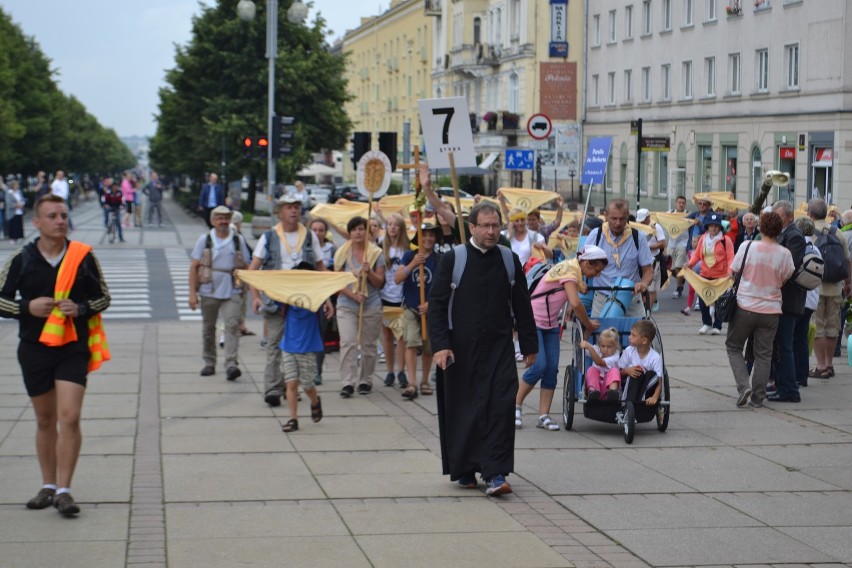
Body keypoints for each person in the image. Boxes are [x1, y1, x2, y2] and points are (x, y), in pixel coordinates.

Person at [0, 194, 111, 516]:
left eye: (63, 215)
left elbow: (103, 296)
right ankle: (47, 486)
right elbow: (1, 298)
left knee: (69, 416)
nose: (60, 220)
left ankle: (64, 490)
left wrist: (81, 308)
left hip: (72, 346)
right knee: (45, 419)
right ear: (37, 223)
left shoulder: (82, 257)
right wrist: (26, 308)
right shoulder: (22, 258)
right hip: (34, 348)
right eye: (52, 216)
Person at [428, 201, 537, 496]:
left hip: (499, 347)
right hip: (460, 348)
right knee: (464, 408)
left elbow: (522, 304)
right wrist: (440, 346)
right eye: (485, 226)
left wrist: (529, 344)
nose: (491, 231)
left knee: (501, 405)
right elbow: (436, 305)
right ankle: (465, 467)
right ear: (472, 227)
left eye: (495, 225)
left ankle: (495, 472)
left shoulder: (508, 259)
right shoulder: (454, 259)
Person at [515, 245, 607, 430]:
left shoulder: (573, 269)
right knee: (538, 367)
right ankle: (515, 407)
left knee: (551, 370)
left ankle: (544, 416)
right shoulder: (569, 269)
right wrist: (588, 324)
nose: (597, 275)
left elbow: (574, 288)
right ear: (586, 262)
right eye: (595, 270)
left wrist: (582, 285)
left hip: (550, 325)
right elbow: (575, 303)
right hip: (534, 321)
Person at [248, 195, 326, 406]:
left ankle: (293, 386)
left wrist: (326, 297)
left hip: (303, 303)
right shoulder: (269, 237)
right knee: (275, 345)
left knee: (299, 349)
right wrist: (255, 296)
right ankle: (273, 388)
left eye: (297, 207)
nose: (293, 211)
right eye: (289, 207)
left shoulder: (309, 236)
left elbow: (321, 268)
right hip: (276, 302)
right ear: (279, 212)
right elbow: (252, 270)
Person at [725, 211, 794, 408]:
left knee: (734, 346)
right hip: (771, 309)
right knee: (764, 354)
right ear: (780, 230)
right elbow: (785, 278)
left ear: (760, 227)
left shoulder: (747, 246)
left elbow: (733, 272)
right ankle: (758, 397)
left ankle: (743, 386)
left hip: (745, 306)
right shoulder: (785, 254)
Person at [188, 206, 251, 381]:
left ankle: (231, 364)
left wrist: (252, 290)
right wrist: (192, 294)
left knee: (231, 325)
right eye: (219, 218)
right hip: (209, 288)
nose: (223, 221)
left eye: (226, 218)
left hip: (232, 289)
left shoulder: (237, 239)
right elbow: (194, 267)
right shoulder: (205, 239)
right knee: (208, 328)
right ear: (213, 220)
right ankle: (209, 362)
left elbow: (247, 265)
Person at [334, 216, 385, 397]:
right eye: (354, 229)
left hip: (370, 304)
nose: (358, 232)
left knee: (369, 345)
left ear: (367, 232)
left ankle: (365, 380)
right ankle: (348, 382)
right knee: (348, 342)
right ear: (349, 233)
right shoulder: (341, 253)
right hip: (347, 303)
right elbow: (338, 282)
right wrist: (353, 295)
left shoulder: (375, 253)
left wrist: (368, 271)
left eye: (362, 229)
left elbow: (379, 282)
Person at [395, 222, 441, 400]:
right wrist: (413, 264)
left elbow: (443, 286)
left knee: (428, 346)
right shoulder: (409, 256)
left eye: (431, 235)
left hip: (430, 309)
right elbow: (398, 278)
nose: (428, 239)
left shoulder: (438, 259)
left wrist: (431, 303)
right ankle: (412, 382)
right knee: (411, 342)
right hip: (411, 307)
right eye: (424, 235)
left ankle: (424, 381)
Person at [807, 198, 852, 381]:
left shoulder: (810, 233)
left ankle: (821, 366)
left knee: (818, 326)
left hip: (815, 287)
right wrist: (848, 283)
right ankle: (830, 364)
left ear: (810, 214)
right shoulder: (838, 232)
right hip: (835, 286)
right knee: (833, 326)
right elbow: (848, 261)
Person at [766, 200, 807, 402]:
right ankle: (782, 385)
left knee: (785, 345)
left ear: (789, 217)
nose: (775, 219)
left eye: (778, 216)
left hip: (789, 300)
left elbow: (788, 267)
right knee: (780, 345)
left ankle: (790, 390)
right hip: (781, 298)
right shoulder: (785, 234)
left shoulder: (794, 236)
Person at [585, 199, 654, 317]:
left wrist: (643, 283)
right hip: (602, 297)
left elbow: (648, 270)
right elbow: (582, 265)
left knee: (639, 333)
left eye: (622, 219)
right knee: (601, 334)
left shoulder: (638, 237)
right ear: (606, 216)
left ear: (627, 217)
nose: (618, 223)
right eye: (614, 218)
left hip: (631, 298)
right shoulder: (596, 236)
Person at [279, 263, 324, 433]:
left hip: (307, 347)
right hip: (289, 345)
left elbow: (328, 288)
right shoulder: (287, 298)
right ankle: (293, 419)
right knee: (291, 383)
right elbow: (270, 289)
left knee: (307, 385)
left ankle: (315, 401)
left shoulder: (315, 298)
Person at [686, 212, 734, 335]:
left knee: (719, 301)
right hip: (705, 274)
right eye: (711, 226)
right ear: (707, 227)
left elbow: (731, 258)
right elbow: (697, 255)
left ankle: (717, 326)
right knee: (703, 300)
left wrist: (730, 273)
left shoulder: (725, 240)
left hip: (721, 276)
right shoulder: (703, 238)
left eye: (716, 226)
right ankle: (706, 323)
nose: (713, 228)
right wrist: (690, 264)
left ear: (720, 227)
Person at [380, 213, 409, 388]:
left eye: (395, 224)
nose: (392, 227)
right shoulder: (380, 248)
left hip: (402, 298)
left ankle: (402, 371)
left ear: (401, 227)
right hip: (385, 297)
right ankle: (390, 371)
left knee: (402, 337)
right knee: (387, 336)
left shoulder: (407, 249)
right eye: (389, 224)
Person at [793, 217, 820, 389]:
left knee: (794, 339)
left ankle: (796, 374)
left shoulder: (799, 247)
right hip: (812, 298)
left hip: (800, 298)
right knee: (801, 338)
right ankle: (802, 375)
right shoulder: (815, 248)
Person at [309, 218, 336, 385]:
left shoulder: (331, 250)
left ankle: (317, 371)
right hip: (307, 295)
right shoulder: (305, 247)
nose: (318, 233)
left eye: (321, 230)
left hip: (324, 296)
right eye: (314, 230)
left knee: (320, 334)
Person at [619, 320, 663, 406]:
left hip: (647, 389)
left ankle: (639, 401)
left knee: (652, 374)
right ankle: (629, 402)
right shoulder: (628, 351)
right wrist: (627, 371)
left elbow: (659, 382)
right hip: (630, 386)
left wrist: (655, 397)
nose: (629, 337)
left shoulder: (655, 357)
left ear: (644, 340)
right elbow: (619, 371)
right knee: (635, 372)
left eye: (633, 335)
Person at [682, 196, 713, 314]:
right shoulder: (694, 214)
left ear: (709, 206)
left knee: (701, 276)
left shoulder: (711, 216)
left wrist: (700, 225)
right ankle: (690, 304)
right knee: (692, 277)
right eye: (700, 204)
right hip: (692, 248)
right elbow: (684, 221)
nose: (702, 206)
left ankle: (701, 301)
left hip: (704, 250)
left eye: (705, 204)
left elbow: (710, 231)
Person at [581, 327, 622, 402]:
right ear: (599, 345)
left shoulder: (615, 356)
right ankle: (592, 392)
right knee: (591, 369)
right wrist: (589, 330)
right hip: (597, 387)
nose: (605, 349)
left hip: (608, 388)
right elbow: (581, 346)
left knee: (614, 371)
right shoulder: (597, 349)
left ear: (615, 347)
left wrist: (590, 348)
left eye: (609, 347)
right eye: (603, 346)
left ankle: (613, 393)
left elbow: (599, 362)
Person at [637, 208, 666, 311]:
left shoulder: (656, 227)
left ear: (648, 217)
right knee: (641, 284)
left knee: (651, 287)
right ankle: (645, 307)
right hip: (641, 260)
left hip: (654, 260)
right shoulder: (638, 227)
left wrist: (648, 247)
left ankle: (647, 312)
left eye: (643, 220)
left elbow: (662, 243)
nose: (641, 222)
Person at [667, 195, 689, 298]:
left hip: (683, 243)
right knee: (668, 268)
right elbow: (661, 219)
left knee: (678, 266)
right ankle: (681, 278)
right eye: (679, 202)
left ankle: (679, 288)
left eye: (683, 203)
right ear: (676, 203)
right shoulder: (670, 213)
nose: (681, 204)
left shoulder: (688, 215)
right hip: (672, 243)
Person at [6, 179, 25, 244]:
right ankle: (12, 238)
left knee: (19, 225)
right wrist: (16, 205)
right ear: (13, 186)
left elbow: (22, 199)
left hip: (19, 211)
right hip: (12, 212)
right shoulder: (9, 193)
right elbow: (8, 203)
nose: (18, 186)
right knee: (12, 225)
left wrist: (22, 203)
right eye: (16, 184)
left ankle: (19, 237)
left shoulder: (19, 192)